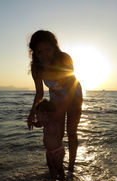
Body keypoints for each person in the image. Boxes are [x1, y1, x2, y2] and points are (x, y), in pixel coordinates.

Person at [27, 30, 83, 171]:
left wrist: (61, 110)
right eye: (40, 52)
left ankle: (71, 166)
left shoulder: (64, 59)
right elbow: (39, 93)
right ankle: (57, 165)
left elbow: (71, 85)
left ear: (55, 48)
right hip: (56, 97)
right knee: (55, 131)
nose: (44, 55)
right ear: (34, 53)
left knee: (71, 131)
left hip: (73, 95)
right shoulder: (36, 68)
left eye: (48, 50)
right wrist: (32, 113)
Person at [33, 99, 65, 181]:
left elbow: (58, 119)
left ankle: (62, 180)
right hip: (49, 151)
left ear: (45, 114)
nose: (37, 118)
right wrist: (33, 123)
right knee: (50, 166)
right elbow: (39, 124)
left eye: (38, 116)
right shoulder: (45, 123)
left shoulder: (53, 123)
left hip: (58, 151)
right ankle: (53, 180)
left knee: (58, 167)